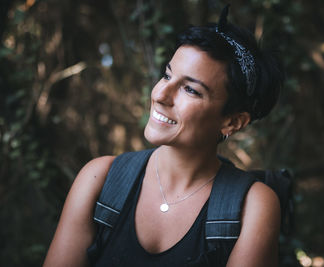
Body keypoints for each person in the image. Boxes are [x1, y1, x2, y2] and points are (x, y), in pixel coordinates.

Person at [43, 5, 284, 267]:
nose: (159, 95)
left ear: (233, 121)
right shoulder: (99, 180)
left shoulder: (252, 207)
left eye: (190, 90)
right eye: (167, 75)